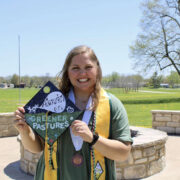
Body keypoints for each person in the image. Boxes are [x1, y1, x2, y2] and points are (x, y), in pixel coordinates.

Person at [14, 45, 133, 180]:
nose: (82, 73)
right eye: (75, 68)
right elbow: (37, 147)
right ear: (67, 72)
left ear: (97, 69)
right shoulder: (52, 101)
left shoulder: (112, 105)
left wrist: (93, 139)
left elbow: (123, 153)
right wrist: (24, 131)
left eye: (88, 67)